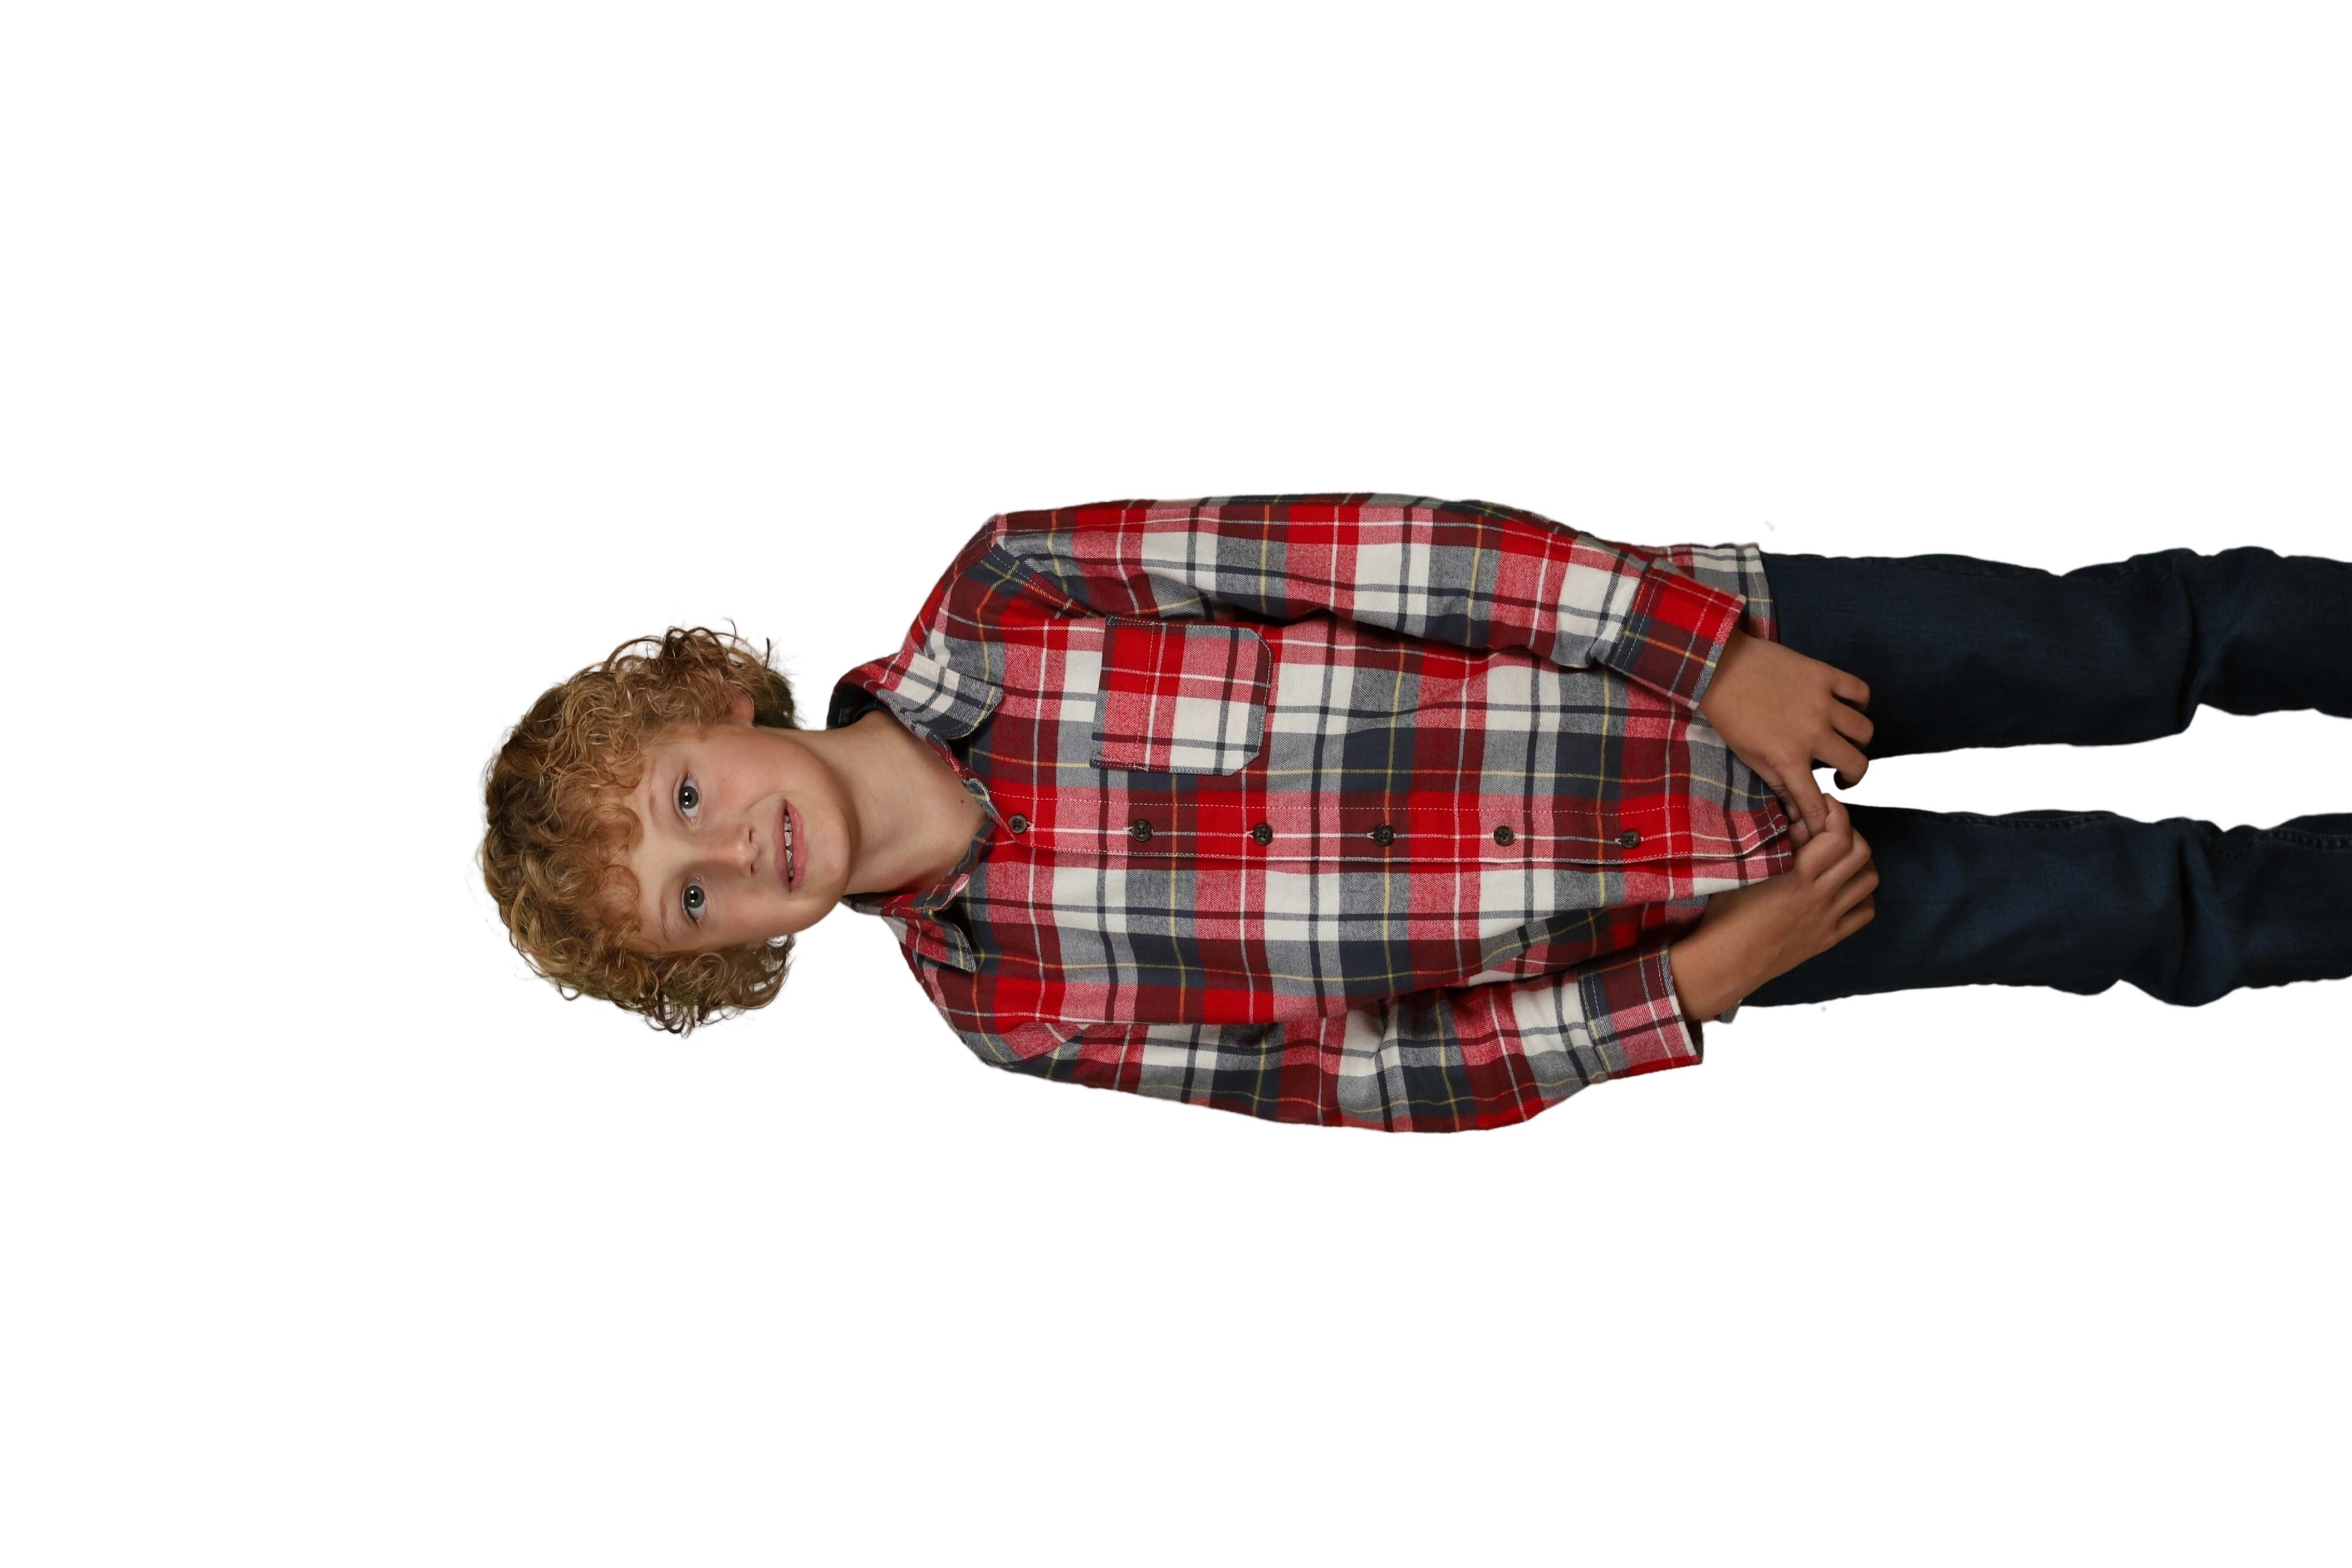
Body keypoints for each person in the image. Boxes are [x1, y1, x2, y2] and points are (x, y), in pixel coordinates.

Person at [464, 489, 2352, 1134]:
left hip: (1741, 656)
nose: (733, 850)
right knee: (2151, 918)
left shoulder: (1016, 586)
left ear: (712, 707)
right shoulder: (1014, 1012)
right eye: (694, 900)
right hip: (1714, 923)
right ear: (737, 959)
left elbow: (1400, 559)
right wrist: (1696, 992)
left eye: (686, 800)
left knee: (2135, 644)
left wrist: (1708, 659)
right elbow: (1367, 1076)